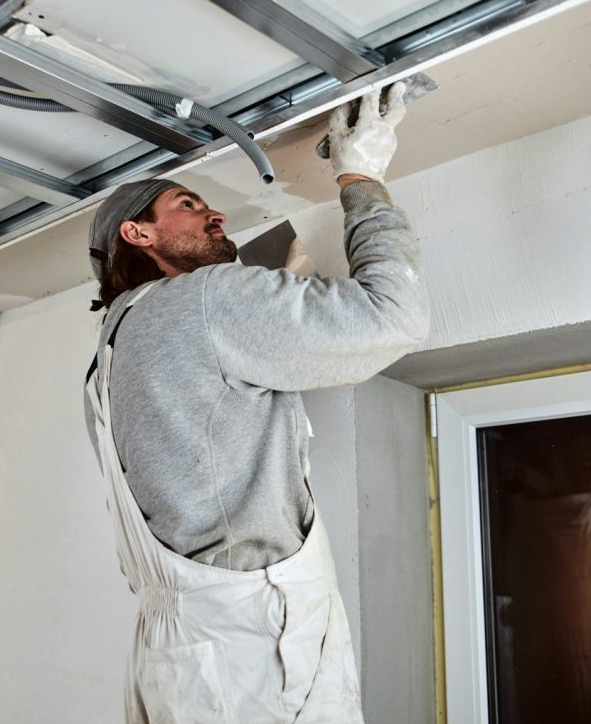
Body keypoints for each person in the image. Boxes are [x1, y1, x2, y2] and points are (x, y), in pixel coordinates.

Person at [84, 82, 429, 724]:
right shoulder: (204, 300)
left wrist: (267, 292)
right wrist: (361, 175)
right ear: (139, 233)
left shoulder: (109, 352)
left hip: (176, 649)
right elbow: (395, 319)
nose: (216, 216)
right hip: (254, 641)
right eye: (189, 206)